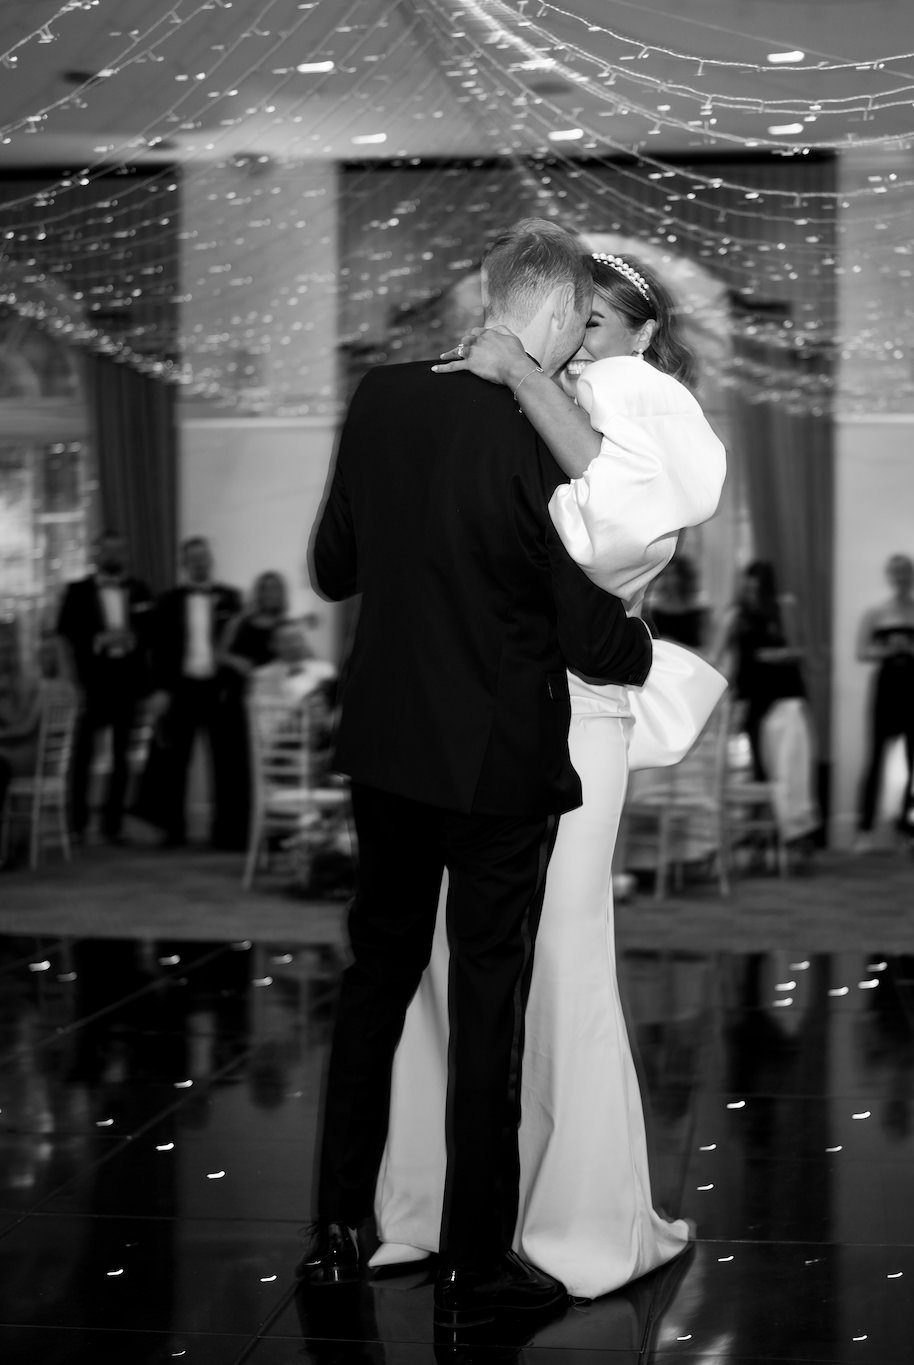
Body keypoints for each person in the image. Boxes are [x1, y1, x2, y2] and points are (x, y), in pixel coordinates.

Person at [300, 218, 655, 1325]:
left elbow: (332, 567)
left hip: (385, 746)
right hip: (496, 760)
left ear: (493, 295)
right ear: (563, 312)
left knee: (376, 983)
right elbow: (589, 637)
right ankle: (472, 1263)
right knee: (488, 1002)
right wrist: (645, 643)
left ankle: (335, 1233)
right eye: (583, 325)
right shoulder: (538, 432)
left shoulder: (381, 395)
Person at [379, 245, 724, 1300]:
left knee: (555, 955)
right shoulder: (547, 401)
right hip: (477, 700)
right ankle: (444, 1209)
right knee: (453, 958)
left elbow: (610, 531)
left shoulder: (635, 396)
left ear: (641, 335)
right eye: (563, 324)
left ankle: (570, 1221)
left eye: (593, 325)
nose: (573, 346)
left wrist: (526, 382)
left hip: (570, 708)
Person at [140, 536, 247, 850]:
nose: (199, 563)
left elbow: (240, 643)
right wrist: (159, 690)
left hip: (219, 690)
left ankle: (227, 833)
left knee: (226, 763)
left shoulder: (231, 598)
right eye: (193, 558)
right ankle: (173, 830)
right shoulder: (168, 601)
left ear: (210, 560)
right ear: (184, 564)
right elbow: (157, 650)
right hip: (180, 689)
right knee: (174, 763)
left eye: (203, 557)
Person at [55, 530, 153, 845]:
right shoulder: (77, 591)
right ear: (96, 554)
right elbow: (64, 638)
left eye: (119, 550)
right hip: (91, 683)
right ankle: (76, 825)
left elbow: (152, 633)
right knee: (82, 754)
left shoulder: (139, 589)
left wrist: (133, 638)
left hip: (128, 683)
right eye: (107, 550)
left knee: (123, 756)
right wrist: (98, 643)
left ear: (126, 554)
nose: (113, 556)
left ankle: (114, 825)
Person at [0, 637, 77, 871]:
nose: (43, 657)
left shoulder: (43, 686)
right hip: (32, 752)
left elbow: (22, 727)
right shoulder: (54, 685)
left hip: (29, 753)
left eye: (49, 653)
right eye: (41, 652)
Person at [853, 554, 914, 854]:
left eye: (906, 572)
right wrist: (888, 650)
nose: (902, 578)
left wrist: (912, 648)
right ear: (890, 576)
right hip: (886, 686)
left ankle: (906, 829)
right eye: (896, 573)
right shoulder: (876, 612)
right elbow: (861, 652)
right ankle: (864, 828)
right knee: (875, 758)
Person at [719, 561, 808, 784]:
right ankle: (762, 791)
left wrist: (775, 655)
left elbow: (798, 650)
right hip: (751, 690)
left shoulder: (784, 606)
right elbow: (718, 653)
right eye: (748, 590)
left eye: (756, 590)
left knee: (785, 755)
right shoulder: (737, 615)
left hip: (782, 689)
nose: (752, 596)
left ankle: (783, 797)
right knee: (757, 753)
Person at [219, 571, 294, 677]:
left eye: (274, 589)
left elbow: (301, 658)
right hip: (239, 682)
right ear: (258, 592)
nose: (269, 594)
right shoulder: (239, 622)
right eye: (264, 589)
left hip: (271, 682)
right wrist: (235, 661)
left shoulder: (287, 625)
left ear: (281, 593)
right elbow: (219, 655)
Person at [251, 620, 338, 707]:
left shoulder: (325, 670)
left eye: (297, 638)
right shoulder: (261, 675)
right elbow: (259, 707)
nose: (294, 645)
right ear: (272, 645)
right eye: (286, 640)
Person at [644, 553, 707, 648]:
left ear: (683, 577)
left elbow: (705, 640)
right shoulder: (653, 606)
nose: (669, 579)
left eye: (673, 574)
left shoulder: (698, 607)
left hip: (690, 653)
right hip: (663, 653)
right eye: (666, 575)